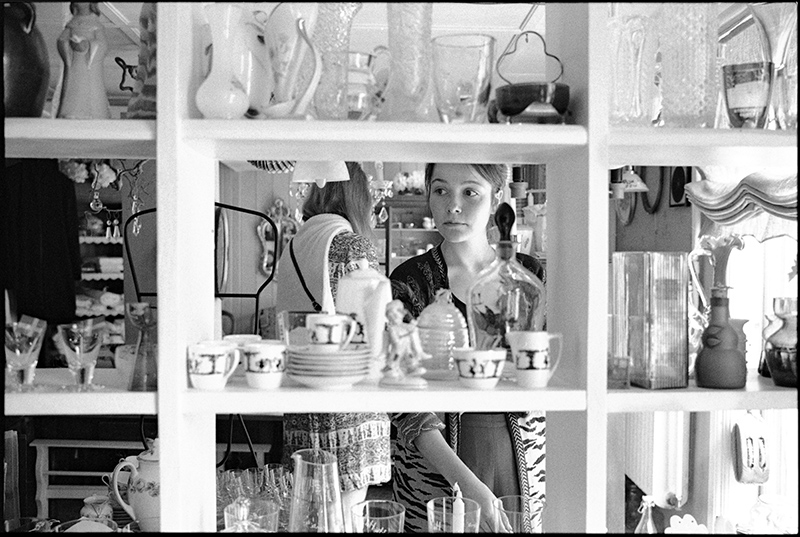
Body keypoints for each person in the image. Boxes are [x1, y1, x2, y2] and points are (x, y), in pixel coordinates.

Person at [389, 163, 547, 533]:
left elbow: (545, 366)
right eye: (441, 190)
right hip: (434, 465)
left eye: (470, 192)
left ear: (497, 198)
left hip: (520, 453)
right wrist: (467, 484)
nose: (453, 205)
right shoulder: (409, 281)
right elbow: (402, 400)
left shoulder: (529, 275)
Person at [274, 162, 391, 531]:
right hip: (348, 409)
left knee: (310, 516)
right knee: (346, 518)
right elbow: (372, 327)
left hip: (302, 399)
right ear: (358, 198)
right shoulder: (352, 245)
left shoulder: (295, 244)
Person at [56, 2, 110, 119]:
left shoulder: (96, 24)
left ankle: (95, 112)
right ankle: (69, 112)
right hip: (74, 64)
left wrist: (87, 45)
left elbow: (103, 45)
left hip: (90, 67)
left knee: (92, 87)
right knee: (72, 87)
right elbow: (61, 40)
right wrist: (70, 45)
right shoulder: (71, 25)